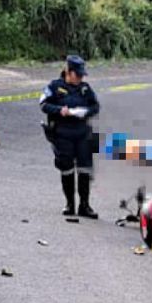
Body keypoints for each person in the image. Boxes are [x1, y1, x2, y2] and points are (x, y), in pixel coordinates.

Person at [40, 55, 101, 219]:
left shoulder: (85, 89)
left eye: (82, 75)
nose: (80, 78)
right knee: (66, 168)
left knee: (85, 168)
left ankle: (84, 205)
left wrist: (86, 112)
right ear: (68, 72)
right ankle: (69, 204)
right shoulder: (55, 87)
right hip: (62, 133)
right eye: (78, 75)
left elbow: (95, 106)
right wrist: (59, 110)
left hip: (82, 133)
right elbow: (44, 104)